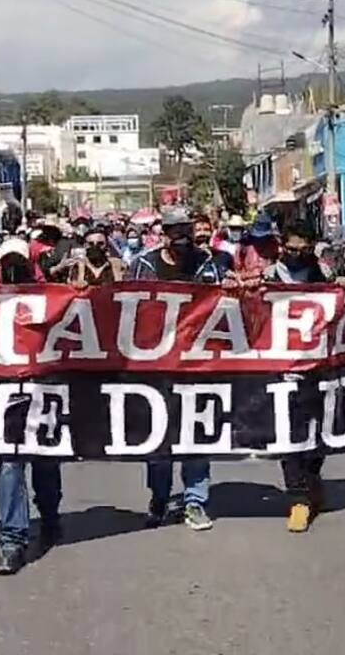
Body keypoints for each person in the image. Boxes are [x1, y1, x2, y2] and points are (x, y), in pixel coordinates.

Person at [129, 208, 228, 530]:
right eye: (175, 230)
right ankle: (159, 498)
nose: (182, 237)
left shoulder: (204, 263)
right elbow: (130, 309)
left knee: (196, 435)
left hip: (198, 364)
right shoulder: (144, 265)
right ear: (164, 233)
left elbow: (218, 301)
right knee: (159, 436)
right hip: (156, 366)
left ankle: (195, 501)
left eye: (186, 229)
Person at [0, 238, 63, 575]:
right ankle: (12, 540)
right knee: (10, 465)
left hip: (43, 392)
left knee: (46, 462)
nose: (13, 268)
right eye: (8, 262)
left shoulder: (50, 298)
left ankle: (49, 515)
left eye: (18, 261)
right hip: (4, 397)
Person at [262, 222, 335, 533]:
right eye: (290, 249)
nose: (295, 255)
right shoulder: (268, 277)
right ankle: (298, 499)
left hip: (319, 366)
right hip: (281, 368)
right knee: (289, 433)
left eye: (301, 250)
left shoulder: (324, 274)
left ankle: (312, 477)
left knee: (321, 430)